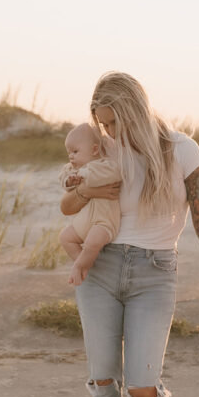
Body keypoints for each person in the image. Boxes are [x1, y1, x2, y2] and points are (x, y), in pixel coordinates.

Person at [60, 72, 199, 397]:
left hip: (155, 272)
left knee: (140, 385)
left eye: (115, 123)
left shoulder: (181, 149)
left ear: (135, 110)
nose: (110, 133)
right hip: (101, 267)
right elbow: (70, 205)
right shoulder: (104, 151)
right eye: (103, 125)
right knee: (102, 380)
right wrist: (88, 185)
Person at [58, 123, 121, 287]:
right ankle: (85, 264)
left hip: (104, 222)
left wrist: (82, 176)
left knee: (93, 242)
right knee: (65, 237)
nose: (71, 156)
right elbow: (64, 180)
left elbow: (109, 175)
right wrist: (69, 180)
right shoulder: (72, 168)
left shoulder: (105, 165)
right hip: (84, 222)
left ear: (94, 150)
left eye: (75, 151)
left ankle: (79, 266)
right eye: (69, 153)